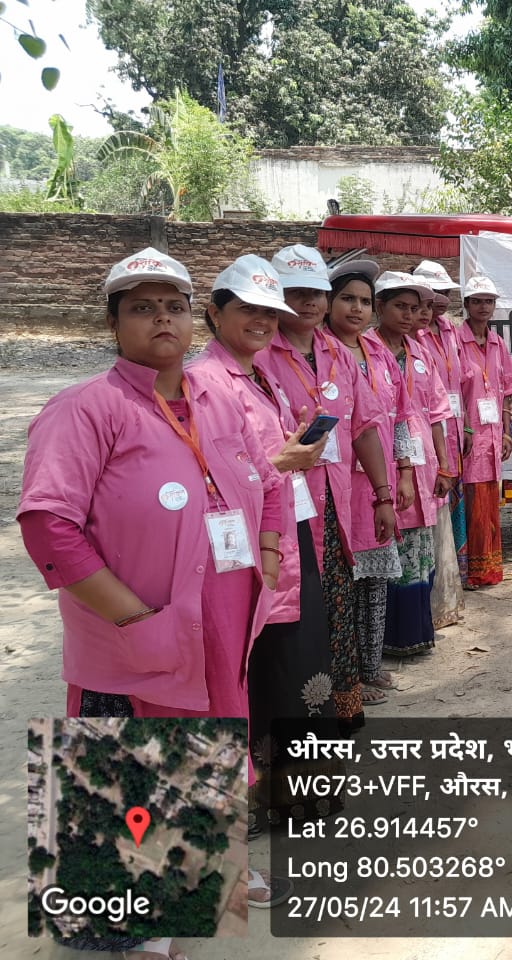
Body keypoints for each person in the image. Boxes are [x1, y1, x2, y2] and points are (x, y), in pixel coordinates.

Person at [18, 248, 286, 959]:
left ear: (193, 319)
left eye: (173, 306)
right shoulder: (86, 408)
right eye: (142, 308)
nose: (161, 319)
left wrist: (267, 558)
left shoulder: (217, 399)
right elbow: (49, 526)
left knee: (207, 749)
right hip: (135, 634)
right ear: (113, 323)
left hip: (221, 626)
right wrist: (135, 619)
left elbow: (269, 479)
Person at [194, 254, 343, 838]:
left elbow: (262, 457)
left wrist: (288, 452)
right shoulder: (206, 383)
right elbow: (213, 476)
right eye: (247, 309)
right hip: (246, 544)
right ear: (215, 313)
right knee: (261, 666)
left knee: (296, 660)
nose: (261, 321)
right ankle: (260, 799)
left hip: (285, 530)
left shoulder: (258, 375)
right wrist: (282, 461)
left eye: (269, 312)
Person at [261, 244, 396, 731]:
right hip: (281, 509)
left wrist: (382, 494)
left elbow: (364, 427)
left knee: (337, 604)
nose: (309, 302)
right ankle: (293, 716)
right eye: (296, 292)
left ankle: (341, 706)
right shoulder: (260, 356)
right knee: (290, 614)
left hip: (335, 503)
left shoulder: (337, 353)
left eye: (316, 292)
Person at [324, 259, 415, 703]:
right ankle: (346, 676)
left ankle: (371, 666)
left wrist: (404, 471)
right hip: (337, 481)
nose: (357, 309)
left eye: (364, 300)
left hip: (376, 483)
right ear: (328, 303)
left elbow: (399, 417)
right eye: (347, 299)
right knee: (342, 585)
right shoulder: (320, 352)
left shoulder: (378, 353)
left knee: (376, 582)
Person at [372, 270, 456, 656]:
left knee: (421, 551)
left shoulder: (421, 352)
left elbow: (437, 413)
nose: (408, 315)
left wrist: (444, 464)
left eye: (414, 308)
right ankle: (389, 639)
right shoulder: (366, 350)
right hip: (383, 462)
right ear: (380, 307)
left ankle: (419, 632)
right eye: (400, 307)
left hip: (423, 465)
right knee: (391, 550)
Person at [457, 274, 512, 588]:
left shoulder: (497, 343)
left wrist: (508, 432)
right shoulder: (456, 342)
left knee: (488, 505)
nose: (483, 307)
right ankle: (469, 571)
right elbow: (451, 391)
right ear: (467, 304)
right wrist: (463, 428)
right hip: (467, 437)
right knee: (470, 505)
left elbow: (506, 390)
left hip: (493, 437)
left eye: (489, 301)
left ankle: (488, 569)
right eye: (477, 301)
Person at [413, 259, 469, 622]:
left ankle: (453, 580)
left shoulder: (450, 330)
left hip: (452, 428)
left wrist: (467, 428)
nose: (439, 300)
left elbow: (460, 383)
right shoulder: (414, 336)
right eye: (434, 294)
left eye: (444, 293)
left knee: (451, 510)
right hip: (426, 436)